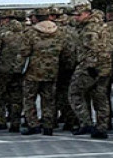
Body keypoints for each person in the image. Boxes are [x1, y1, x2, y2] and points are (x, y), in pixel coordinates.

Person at [20, 7, 73, 136]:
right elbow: (67, 52)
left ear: (36, 18)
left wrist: (18, 68)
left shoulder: (30, 33)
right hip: (52, 71)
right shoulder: (59, 32)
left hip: (33, 71)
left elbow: (24, 52)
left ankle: (33, 124)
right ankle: (48, 125)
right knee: (49, 99)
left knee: (29, 99)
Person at [67, 4, 113, 138]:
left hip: (90, 66)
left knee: (74, 93)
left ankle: (86, 122)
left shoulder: (89, 29)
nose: (76, 18)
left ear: (87, 14)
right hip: (105, 66)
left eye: (79, 15)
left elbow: (93, 49)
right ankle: (102, 127)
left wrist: (91, 66)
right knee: (101, 97)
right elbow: (111, 45)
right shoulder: (105, 26)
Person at [0, 10, 27, 132]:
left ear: (5, 20)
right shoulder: (25, 34)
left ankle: (1, 121)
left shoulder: (0, 35)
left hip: (2, 70)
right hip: (20, 70)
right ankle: (15, 122)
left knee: (0, 97)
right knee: (17, 97)